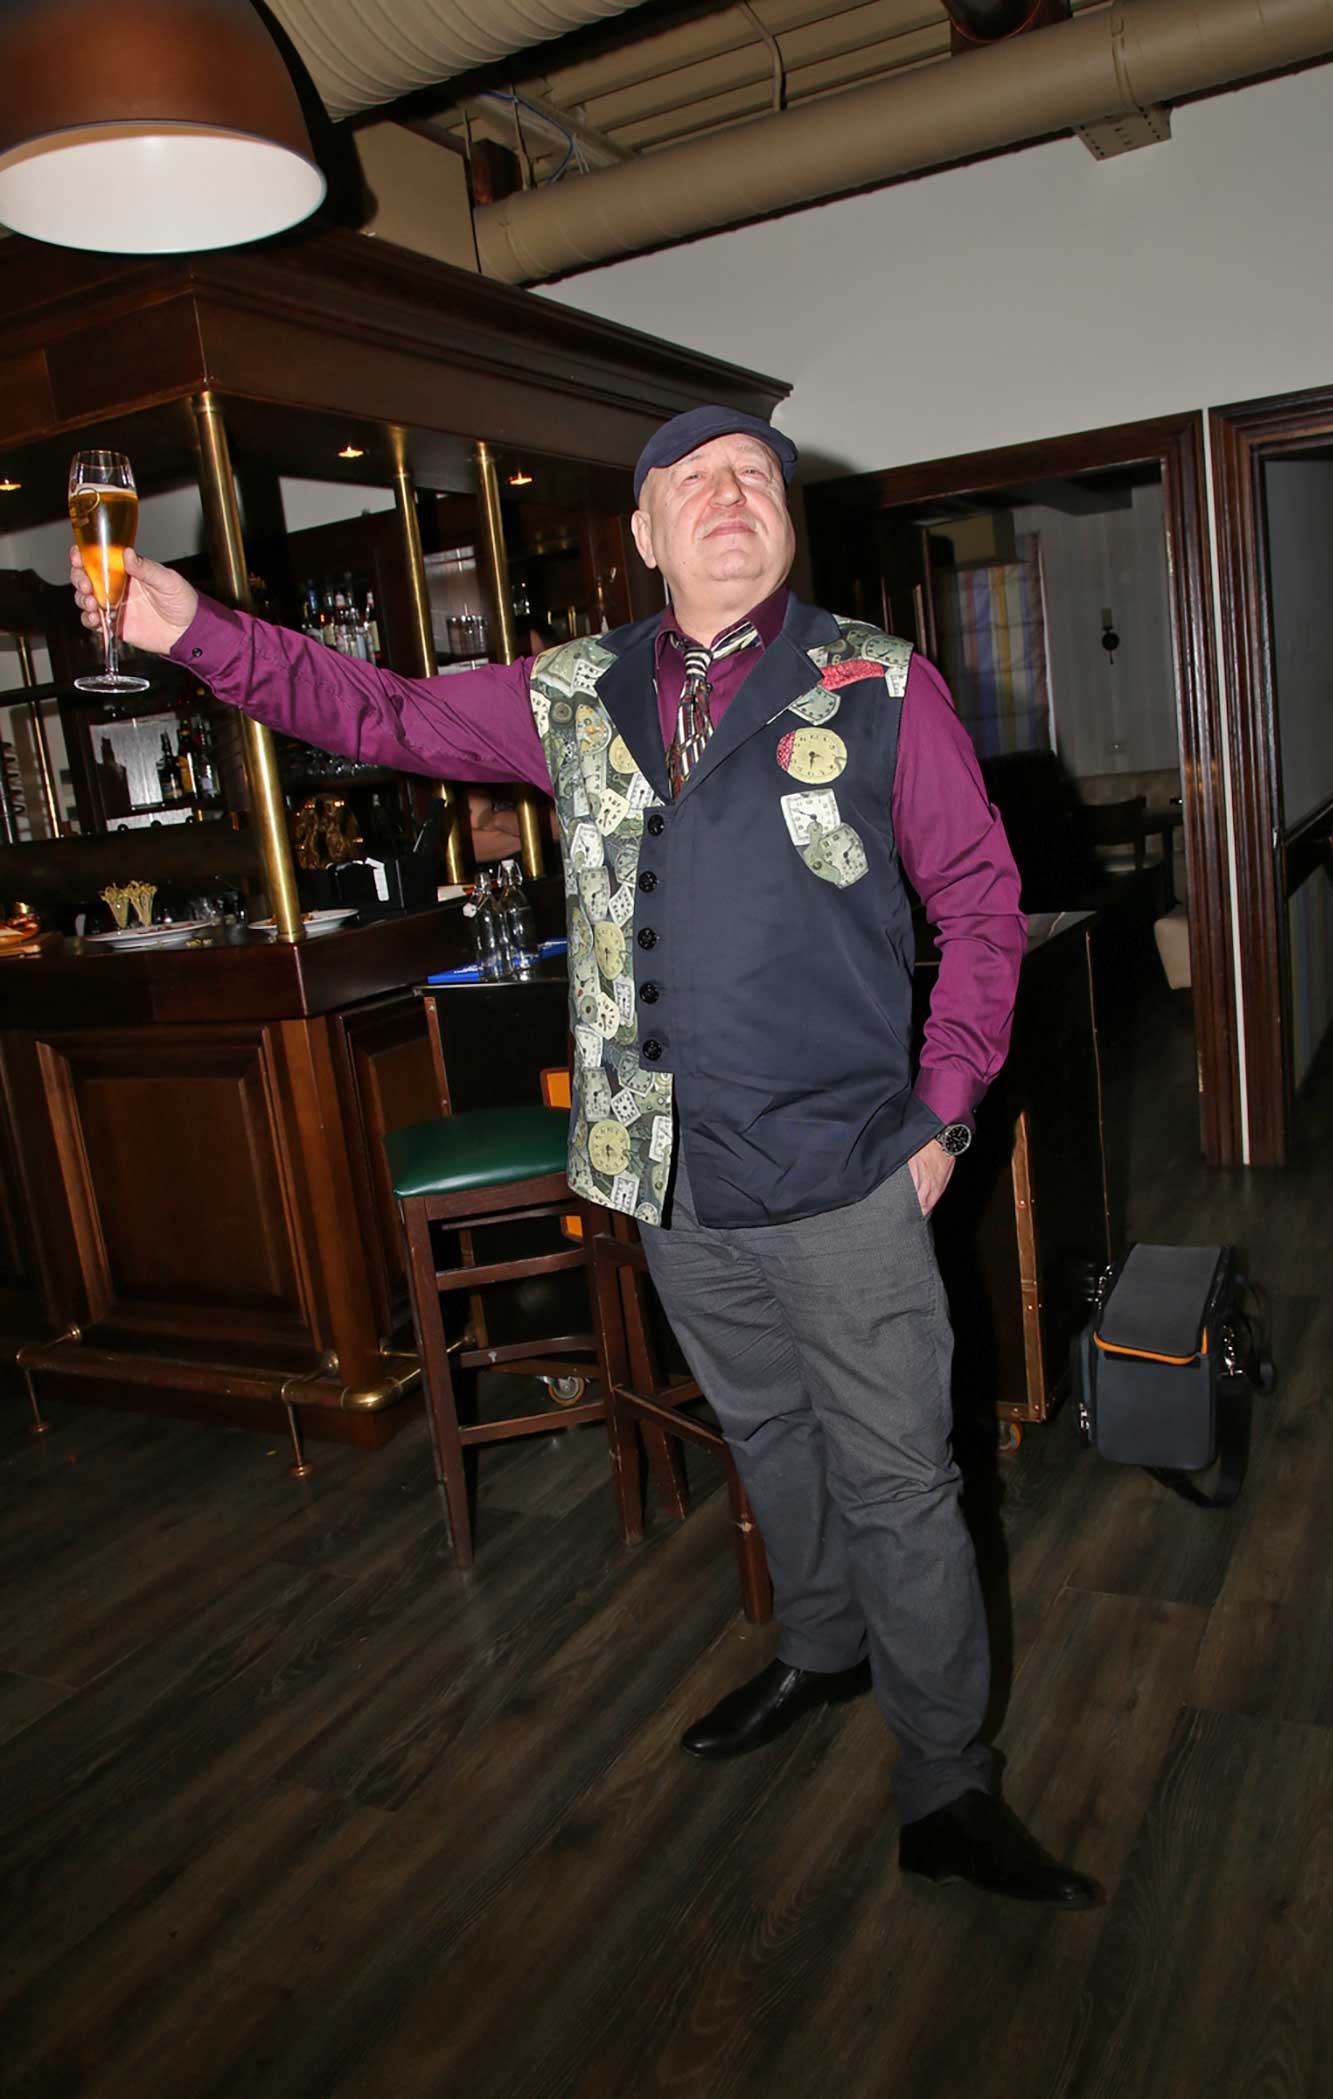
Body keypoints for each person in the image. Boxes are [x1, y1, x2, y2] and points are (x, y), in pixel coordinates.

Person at [71, 406, 1095, 1909]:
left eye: (755, 476)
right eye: (694, 481)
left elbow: (981, 905)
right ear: (643, 533)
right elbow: (382, 713)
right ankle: (822, 1650)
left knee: (900, 1481)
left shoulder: (877, 680)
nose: (730, 495)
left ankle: (944, 1778)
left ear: (787, 518)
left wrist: (942, 1118)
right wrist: (196, 632)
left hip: (848, 1172)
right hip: (665, 1173)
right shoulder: (572, 691)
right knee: (768, 1435)